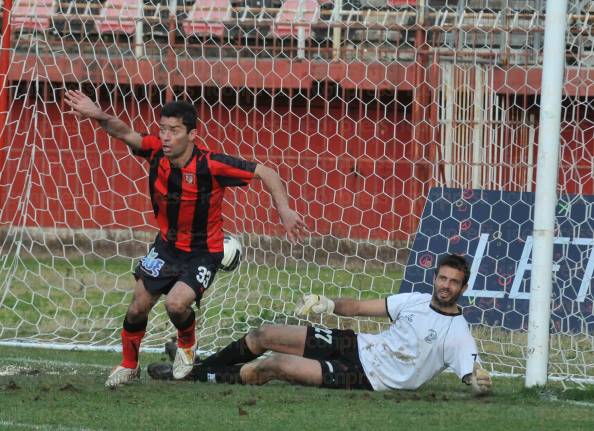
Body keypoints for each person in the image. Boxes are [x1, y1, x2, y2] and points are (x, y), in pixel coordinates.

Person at [64, 90, 306, 388]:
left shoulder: (211, 165)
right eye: (162, 129)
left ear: (191, 134)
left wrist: (284, 210)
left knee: (176, 305)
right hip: (166, 246)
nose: (165, 137)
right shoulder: (154, 150)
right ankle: (129, 365)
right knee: (138, 306)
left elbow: (267, 172)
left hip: (204, 251)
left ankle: (187, 345)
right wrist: (97, 113)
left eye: (174, 131)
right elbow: (124, 132)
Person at [147, 254, 492, 394]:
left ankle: (189, 372)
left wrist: (478, 379)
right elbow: (358, 306)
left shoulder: (458, 333)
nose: (446, 286)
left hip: (369, 378)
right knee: (263, 334)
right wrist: (327, 303)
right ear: (435, 279)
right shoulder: (414, 301)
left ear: (463, 287)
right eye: (443, 278)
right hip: (357, 346)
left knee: (274, 365)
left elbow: (472, 372)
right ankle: (192, 364)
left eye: (454, 282)